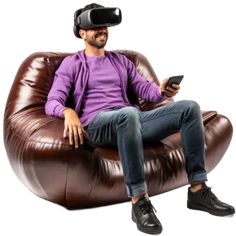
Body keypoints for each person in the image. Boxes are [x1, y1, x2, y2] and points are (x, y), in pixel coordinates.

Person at [45, 3, 235, 235]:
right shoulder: (72, 64)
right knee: (129, 114)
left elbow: (146, 90)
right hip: (98, 125)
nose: (102, 30)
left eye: (105, 26)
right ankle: (139, 201)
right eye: (95, 27)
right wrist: (68, 112)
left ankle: (197, 189)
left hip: (132, 121)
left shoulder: (121, 62)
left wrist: (162, 91)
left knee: (189, 108)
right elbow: (52, 101)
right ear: (82, 33)